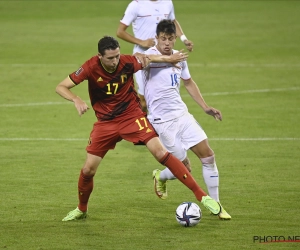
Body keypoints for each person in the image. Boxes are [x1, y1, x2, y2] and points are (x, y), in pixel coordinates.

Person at [55, 35, 222, 221]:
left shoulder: (126, 62)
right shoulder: (90, 67)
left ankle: (202, 196)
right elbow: (61, 86)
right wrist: (76, 99)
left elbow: (149, 58)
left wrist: (169, 58)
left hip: (132, 117)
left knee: (160, 153)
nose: (115, 61)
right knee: (88, 170)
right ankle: (81, 209)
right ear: (99, 56)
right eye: (110, 58)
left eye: (117, 56)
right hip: (106, 123)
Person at [140, 20, 231, 219]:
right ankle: (160, 175)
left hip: (182, 116)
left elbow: (188, 82)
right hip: (162, 122)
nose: (166, 43)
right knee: (184, 168)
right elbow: (143, 59)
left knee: (208, 156)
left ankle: (217, 206)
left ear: (174, 38)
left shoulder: (180, 57)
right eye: (163, 39)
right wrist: (169, 59)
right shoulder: (149, 57)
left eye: (170, 39)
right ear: (157, 38)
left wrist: (205, 107)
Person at [117, 0, 193, 111]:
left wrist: (184, 39)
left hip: (164, 54)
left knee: (162, 98)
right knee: (143, 101)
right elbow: (120, 32)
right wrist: (141, 42)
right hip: (144, 58)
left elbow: (172, 22)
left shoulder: (167, 3)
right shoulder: (136, 5)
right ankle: (143, 127)